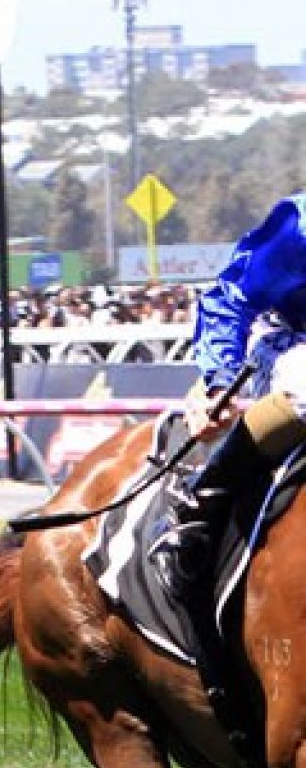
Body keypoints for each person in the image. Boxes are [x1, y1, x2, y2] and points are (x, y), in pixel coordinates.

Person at [150, 193, 306, 599]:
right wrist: (219, 381)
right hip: (288, 343)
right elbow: (229, 301)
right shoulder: (299, 228)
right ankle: (200, 504)